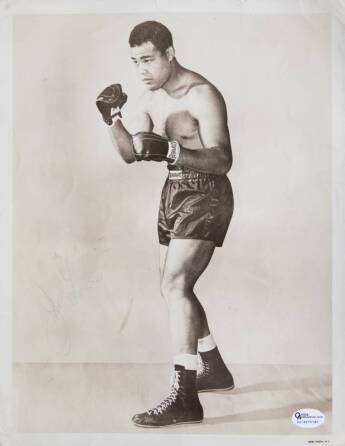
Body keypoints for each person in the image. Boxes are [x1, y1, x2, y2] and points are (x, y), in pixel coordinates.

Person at [96, 20, 235, 428]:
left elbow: (223, 159)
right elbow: (134, 153)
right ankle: (213, 367)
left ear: (169, 54)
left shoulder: (203, 94)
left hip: (207, 193)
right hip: (173, 194)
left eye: (149, 60)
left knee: (174, 285)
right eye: (135, 61)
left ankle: (185, 397)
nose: (141, 69)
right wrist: (112, 119)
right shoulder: (149, 97)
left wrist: (173, 149)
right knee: (178, 287)